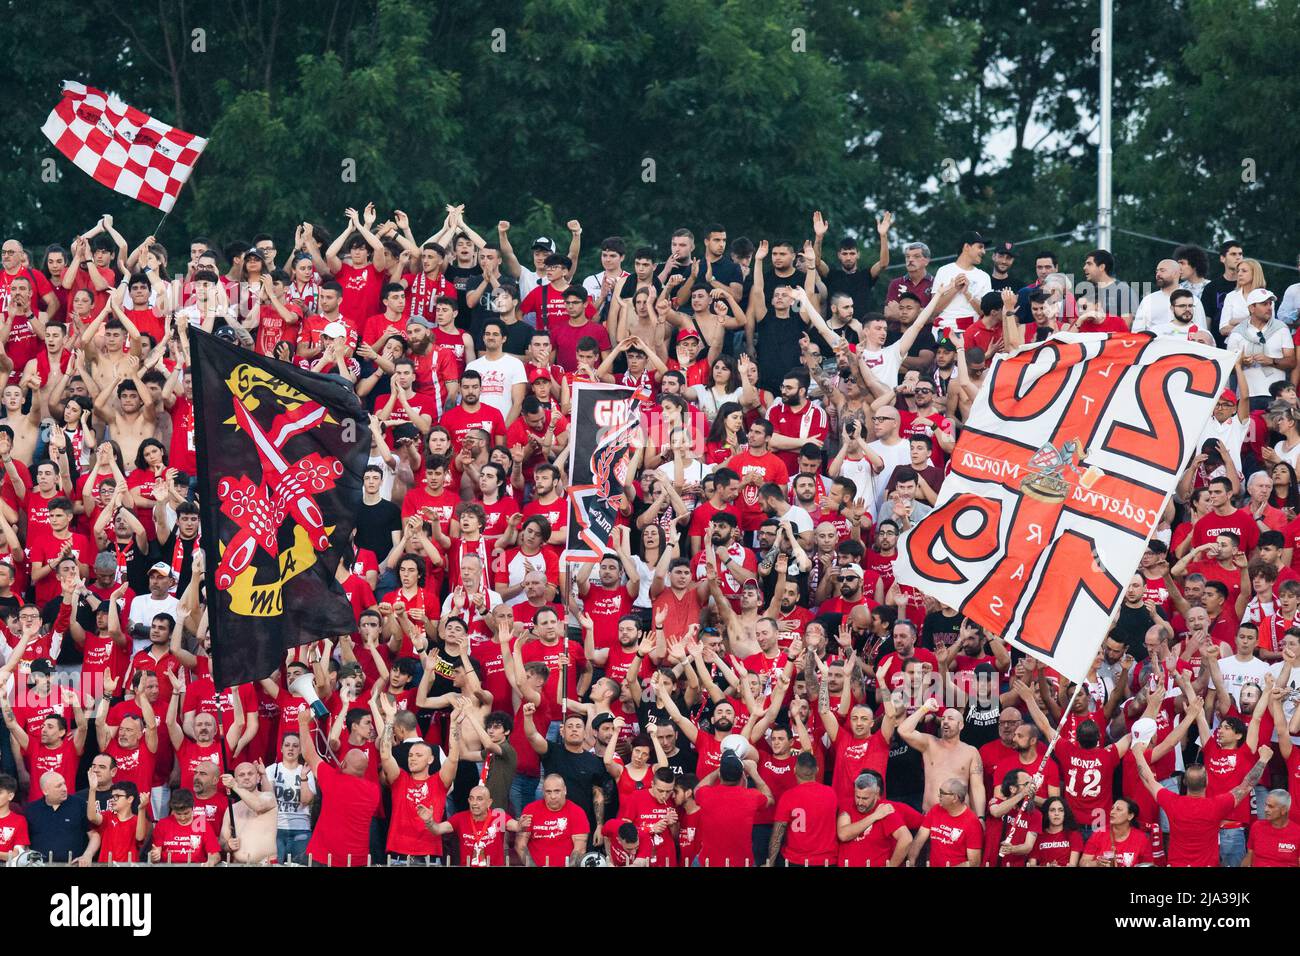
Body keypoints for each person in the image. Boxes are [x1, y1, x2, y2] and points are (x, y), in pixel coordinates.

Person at [1133, 742, 1269, 867]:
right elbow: (1247, 785)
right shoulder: (1217, 805)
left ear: (1184, 783)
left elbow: (1148, 779)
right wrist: (1263, 759)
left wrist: (1138, 753)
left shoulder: (1172, 802)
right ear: (1207, 783)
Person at [297, 705, 380, 867]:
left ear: (342, 764)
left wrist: (303, 724)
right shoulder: (374, 791)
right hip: (356, 860)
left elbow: (309, 754)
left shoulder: (334, 780)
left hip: (323, 857)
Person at [694, 751, 773, 867]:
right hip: (742, 863)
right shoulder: (751, 796)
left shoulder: (706, 794)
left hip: (709, 862)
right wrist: (754, 773)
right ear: (742, 776)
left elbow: (697, 789)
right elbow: (770, 799)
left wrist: (719, 770)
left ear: (720, 775)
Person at [765, 751, 838, 866]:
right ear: (817, 770)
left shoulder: (788, 797)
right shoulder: (831, 794)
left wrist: (771, 862)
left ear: (794, 770)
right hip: (826, 861)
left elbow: (777, 835)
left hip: (795, 861)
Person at [516, 773, 589, 867]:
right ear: (543, 792)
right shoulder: (530, 810)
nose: (553, 796)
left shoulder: (577, 812)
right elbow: (520, 845)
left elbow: (580, 849)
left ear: (565, 790)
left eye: (557, 791)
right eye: (548, 792)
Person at [907, 777, 982, 867]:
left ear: (955, 798)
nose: (939, 796)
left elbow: (974, 862)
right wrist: (911, 861)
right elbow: (919, 839)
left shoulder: (972, 822)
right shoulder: (935, 810)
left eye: (942, 793)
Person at [1244, 790, 1300, 867]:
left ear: (1283, 810)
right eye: (1266, 805)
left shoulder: (1297, 833)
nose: (1266, 809)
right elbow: (1249, 857)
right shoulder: (1257, 827)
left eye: (1271, 806)